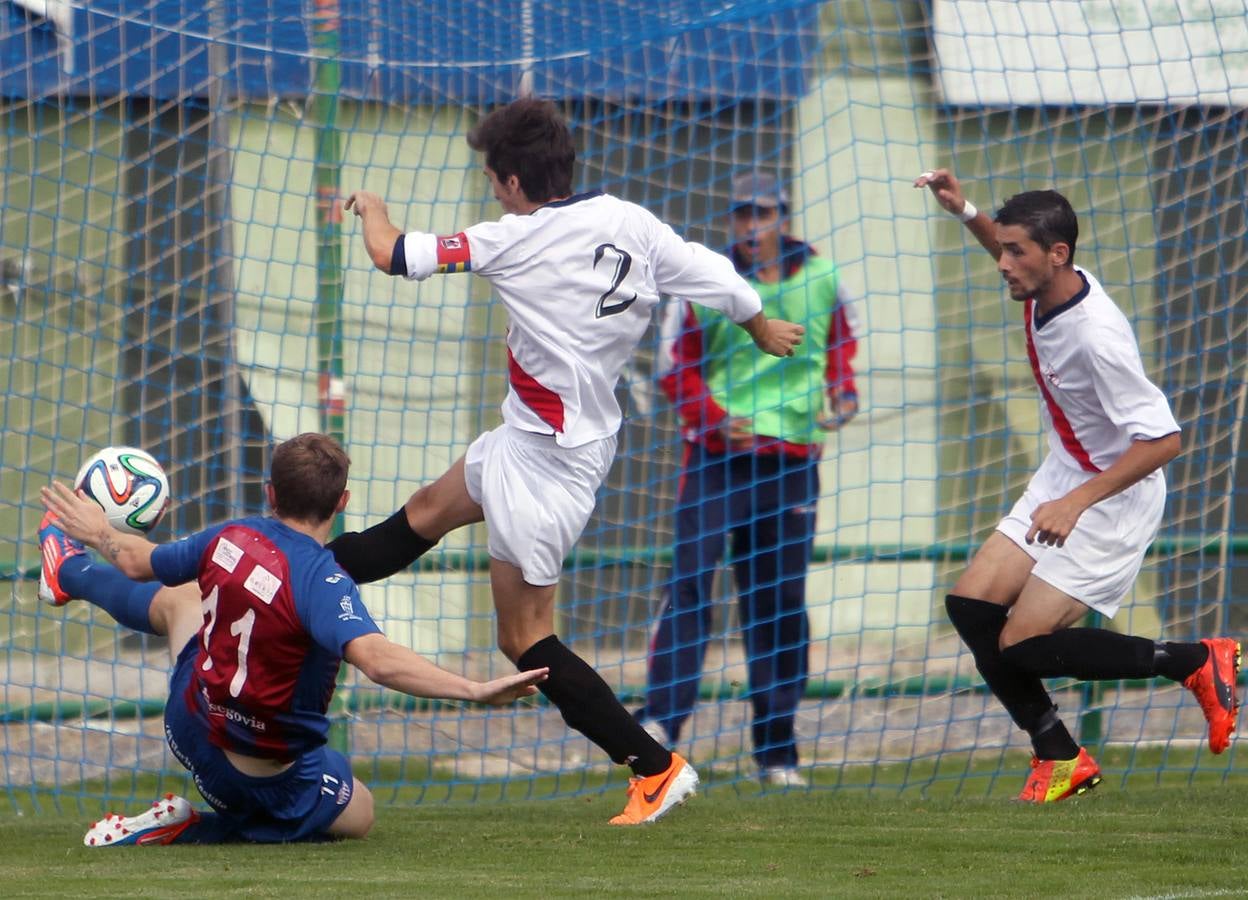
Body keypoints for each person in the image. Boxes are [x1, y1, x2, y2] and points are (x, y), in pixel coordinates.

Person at [330, 98, 805, 825]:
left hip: (547, 463)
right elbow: (716, 275)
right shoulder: (630, 221)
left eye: (492, 178)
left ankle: (655, 766)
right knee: (426, 511)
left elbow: (394, 254)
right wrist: (759, 322)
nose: (491, 190)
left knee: (525, 639)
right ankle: (298, 575)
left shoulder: (514, 237)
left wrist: (371, 206)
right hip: (537, 440)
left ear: (515, 183)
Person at [38, 433, 548, 845]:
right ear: (342, 502)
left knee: (180, 597)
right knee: (360, 811)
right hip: (257, 772)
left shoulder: (228, 537)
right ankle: (193, 826)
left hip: (188, 720)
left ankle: (70, 571)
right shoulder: (322, 582)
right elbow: (377, 658)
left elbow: (136, 561)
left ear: (271, 493)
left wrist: (98, 532)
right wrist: (474, 690)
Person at [914, 169, 1239, 802]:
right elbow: (1014, 255)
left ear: (1057, 255)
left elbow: (1165, 439)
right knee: (971, 607)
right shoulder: (1045, 285)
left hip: (1111, 497)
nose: (1004, 263)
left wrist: (1076, 501)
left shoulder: (1097, 337)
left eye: (1016, 252)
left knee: (1025, 645)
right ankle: (1059, 756)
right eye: (1003, 248)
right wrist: (966, 211)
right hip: (1066, 473)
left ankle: (1194, 661)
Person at [633, 171, 860, 788]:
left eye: (761, 214)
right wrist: (715, 422)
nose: (750, 226)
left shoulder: (823, 279)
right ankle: (658, 727)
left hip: (791, 465)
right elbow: (675, 371)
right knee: (691, 585)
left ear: (782, 217)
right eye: (740, 215)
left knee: (779, 603)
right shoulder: (705, 282)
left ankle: (777, 750)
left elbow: (839, 353)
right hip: (716, 463)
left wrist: (843, 395)